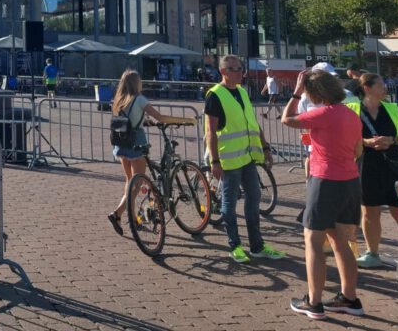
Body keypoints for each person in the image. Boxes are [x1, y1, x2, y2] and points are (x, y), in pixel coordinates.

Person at [282, 69, 364, 318]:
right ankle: (350, 298)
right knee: (342, 242)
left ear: (316, 93)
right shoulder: (351, 114)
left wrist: (296, 92)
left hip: (325, 179)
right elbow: (358, 149)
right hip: (350, 180)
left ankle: (314, 302)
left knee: (313, 241)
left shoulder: (322, 114)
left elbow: (287, 118)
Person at [205, 53, 284, 263]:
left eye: (241, 68)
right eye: (234, 69)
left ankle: (257, 245)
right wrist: (214, 161)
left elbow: (252, 122)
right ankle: (235, 245)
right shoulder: (214, 95)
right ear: (223, 72)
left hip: (248, 156)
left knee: (254, 198)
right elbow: (210, 132)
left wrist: (265, 146)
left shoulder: (241, 91)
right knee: (229, 204)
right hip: (229, 159)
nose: (240, 72)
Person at [107, 69, 193, 236]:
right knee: (138, 183)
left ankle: (131, 218)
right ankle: (117, 213)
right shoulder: (139, 99)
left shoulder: (118, 100)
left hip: (121, 142)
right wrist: (183, 120)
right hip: (136, 142)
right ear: (136, 83)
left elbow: (129, 119)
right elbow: (160, 118)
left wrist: (144, 121)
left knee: (129, 181)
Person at [353, 71, 398, 268]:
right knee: (370, 212)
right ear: (367, 88)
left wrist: (392, 140)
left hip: (394, 167)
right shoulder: (352, 110)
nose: (385, 88)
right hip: (367, 166)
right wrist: (367, 142)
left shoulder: (393, 108)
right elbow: (346, 139)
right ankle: (372, 254)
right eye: (380, 85)